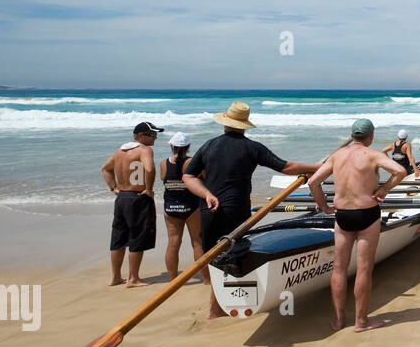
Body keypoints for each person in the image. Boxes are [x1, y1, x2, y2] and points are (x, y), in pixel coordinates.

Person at [182, 102, 319, 319]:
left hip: (208, 209)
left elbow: (188, 177)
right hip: (235, 210)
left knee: (215, 257)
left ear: (226, 123)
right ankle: (222, 307)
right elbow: (286, 167)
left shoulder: (208, 145)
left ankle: (216, 308)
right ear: (244, 125)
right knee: (233, 257)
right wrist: (317, 168)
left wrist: (206, 194)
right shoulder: (252, 148)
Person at [309, 120, 407, 331]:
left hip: (342, 216)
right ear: (370, 136)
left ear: (352, 135)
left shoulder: (337, 155)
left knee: (339, 268)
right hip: (367, 214)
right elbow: (400, 171)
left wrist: (324, 206)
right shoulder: (374, 155)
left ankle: (338, 320)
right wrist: (384, 190)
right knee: (363, 269)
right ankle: (361, 321)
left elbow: (313, 182)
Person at [101, 121, 162, 287]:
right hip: (138, 197)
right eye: (152, 135)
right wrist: (149, 189)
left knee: (118, 237)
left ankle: (115, 277)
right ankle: (133, 278)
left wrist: (113, 188)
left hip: (122, 198)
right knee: (137, 236)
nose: (155, 137)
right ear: (140, 136)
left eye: (156, 134)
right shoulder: (145, 150)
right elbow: (149, 169)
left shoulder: (120, 151)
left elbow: (105, 169)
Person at [160, 131, 202, 280]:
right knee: (197, 242)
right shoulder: (191, 162)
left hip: (171, 207)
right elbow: (203, 177)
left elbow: (163, 179)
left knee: (173, 242)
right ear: (188, 147)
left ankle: (173, 280)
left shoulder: (163, 163)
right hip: (191, 206)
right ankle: (205, 278)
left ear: (172, 146)